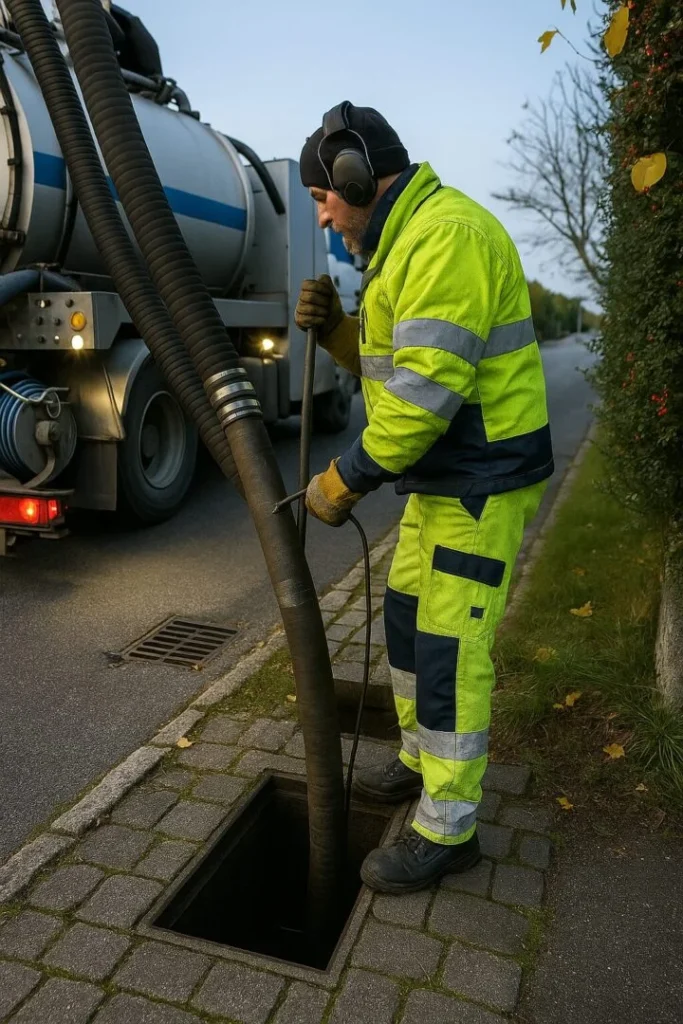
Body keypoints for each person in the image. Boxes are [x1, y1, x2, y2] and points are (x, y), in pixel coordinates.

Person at [296, 101, 553, 894]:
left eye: (323, 196)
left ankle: (449, 830)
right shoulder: (403, 243)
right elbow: (392, 369)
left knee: (447, 652)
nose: (323, 213)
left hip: (480, 483)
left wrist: (345, 478)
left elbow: (420, 398)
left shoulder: (446, 238)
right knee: (406, 617)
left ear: (354, 175)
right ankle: (418, 758)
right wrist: (340, 330)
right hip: (445, 481)